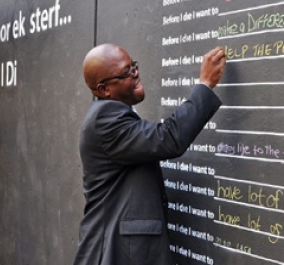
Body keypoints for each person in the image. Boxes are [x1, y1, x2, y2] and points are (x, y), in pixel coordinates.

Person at [73, 43, 226, 265]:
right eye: (127, 72)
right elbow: (168, 138)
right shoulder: (105, 119)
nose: (136, 74)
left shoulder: (109, 113)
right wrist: (205, 85)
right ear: (104, 89)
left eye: (134, 66)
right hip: (114, 253)